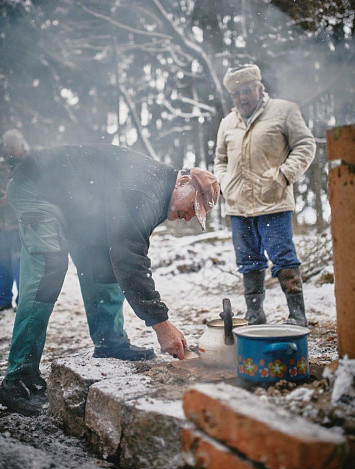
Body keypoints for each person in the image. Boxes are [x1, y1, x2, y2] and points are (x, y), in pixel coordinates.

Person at [0, 144, 220, 415]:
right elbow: (130, 260)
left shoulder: (157, 192)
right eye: (192, 207)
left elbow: (123, 252)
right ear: (183, 182)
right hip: (37, 186)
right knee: (49, 266)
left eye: (195, 215)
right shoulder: (145, 189)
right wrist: (161, 325)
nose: (188, 217)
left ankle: (109, 341)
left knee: (101, 261)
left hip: (74, 205)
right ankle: (18, 378)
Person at [214, 64, 316, 328]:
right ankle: (254, 315)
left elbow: (305, 145)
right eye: (236, 94)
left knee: (283, 257)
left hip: (274, 202)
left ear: (259, 88)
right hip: (238, 207)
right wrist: (225, 182)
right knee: (247, 261)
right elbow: (220, 160)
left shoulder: (284, 111)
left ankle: (297, 314)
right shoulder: (227, 122)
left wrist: (284, 175)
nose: (242, 98)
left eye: (246, 91)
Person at [0, 130, 26, 311]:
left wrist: (10, 198)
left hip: (20, 224)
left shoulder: (28, 165)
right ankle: (4, 300)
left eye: (12, 146)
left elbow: (31, 192)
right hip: (2, 225)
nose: (8, 149)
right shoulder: (2, 167)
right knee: (3, 264)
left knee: (19, 264)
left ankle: (22, 301)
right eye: (6, 146)